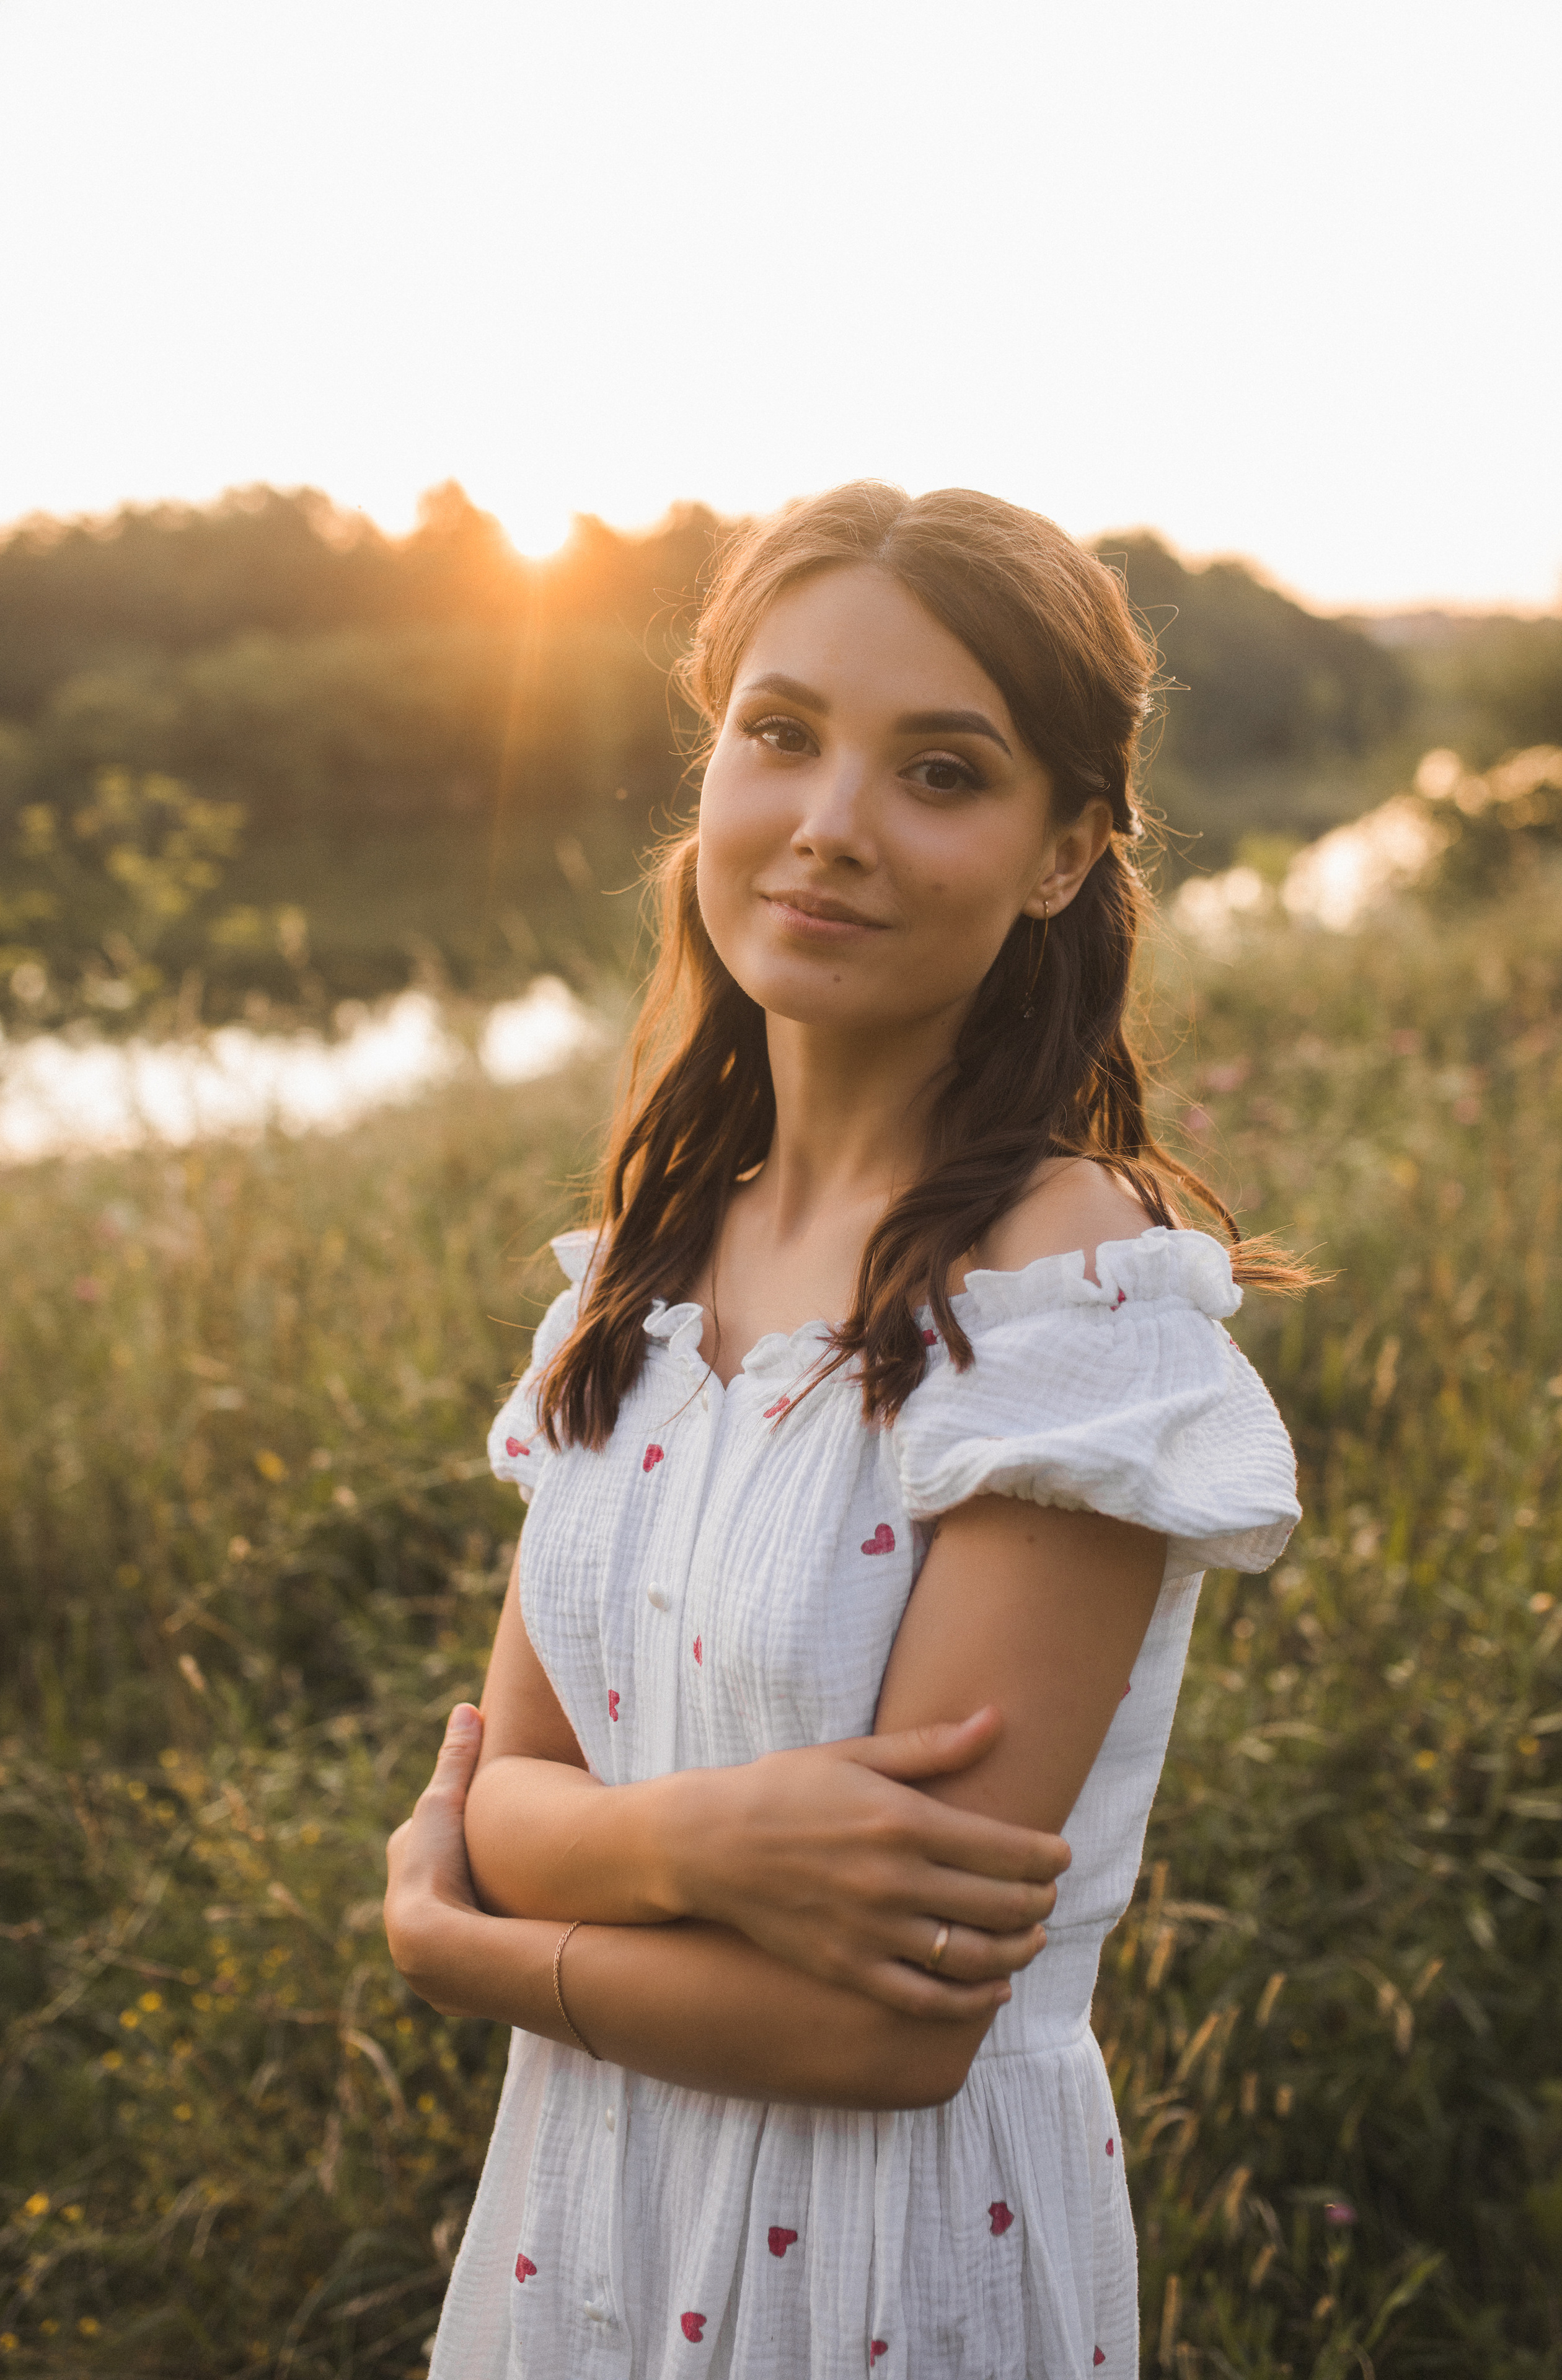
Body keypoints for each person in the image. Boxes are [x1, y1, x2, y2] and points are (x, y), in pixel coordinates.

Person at [384, 482, 1303, 2379]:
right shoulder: (634, 1276)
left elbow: (893, 2033)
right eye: (781, 736)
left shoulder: (1066, 1299)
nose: (828, 827)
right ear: (711, 765)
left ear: (1062, 854)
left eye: (940, 773)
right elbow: (502, 1796)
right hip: (585, 2229)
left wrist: (470, 1949)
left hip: (891, 2275)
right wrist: (732, 1841)